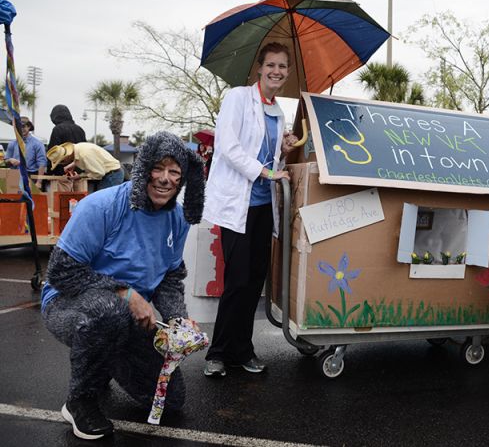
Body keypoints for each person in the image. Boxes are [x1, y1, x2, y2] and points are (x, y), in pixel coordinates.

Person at [41, 131, 205, 440]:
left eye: (175, 172)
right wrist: (125, 293)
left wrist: (177, 321)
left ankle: (100, 359)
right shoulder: (101, 207)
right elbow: (60, 272)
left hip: (127, 316)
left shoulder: (178, 220)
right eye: (159, 168)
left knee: (172, 401)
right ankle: (80, 400)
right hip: (68, 305)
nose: (165, 179)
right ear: (144, 168)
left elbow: (170, 278)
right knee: (109, 311)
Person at [202, 42, 298, 377]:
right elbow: (227, 146)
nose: (276, 71)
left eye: (283, 66)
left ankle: (243, 351)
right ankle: (217, 353)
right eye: (271, 65)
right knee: (237, 279)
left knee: (255, 280)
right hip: (236, 205)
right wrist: (269, 172)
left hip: (262, 207)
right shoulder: (238, 98)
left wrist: (282, 152)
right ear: (259, 68)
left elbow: (272, 161)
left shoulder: (279, 111)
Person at [46, 141, 124, 191]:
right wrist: (74, 164)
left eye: (62, 161)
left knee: (105, 203)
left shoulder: (84, 155)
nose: (63, 164)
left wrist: (80, 176)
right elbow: (80, 157)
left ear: (67, 156)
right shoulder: (78, 148)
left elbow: (99, 173)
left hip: (112, 175)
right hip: (111, 173)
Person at [3, 116, 47, 190]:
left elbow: (42, 163)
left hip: (31, 177)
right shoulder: (12, 144)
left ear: (29, 127)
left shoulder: (37, 144)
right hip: (14, 176)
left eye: (23, 126)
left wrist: (39, 182)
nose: (21, 129)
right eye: (18, 126)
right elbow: (5, 161)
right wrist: (10, 160)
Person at [47, 104, 87, 176]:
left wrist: (49, 171)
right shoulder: (80, 129)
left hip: (62, 170)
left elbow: (52, 152)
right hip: (78, 170)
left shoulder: (58, 129)